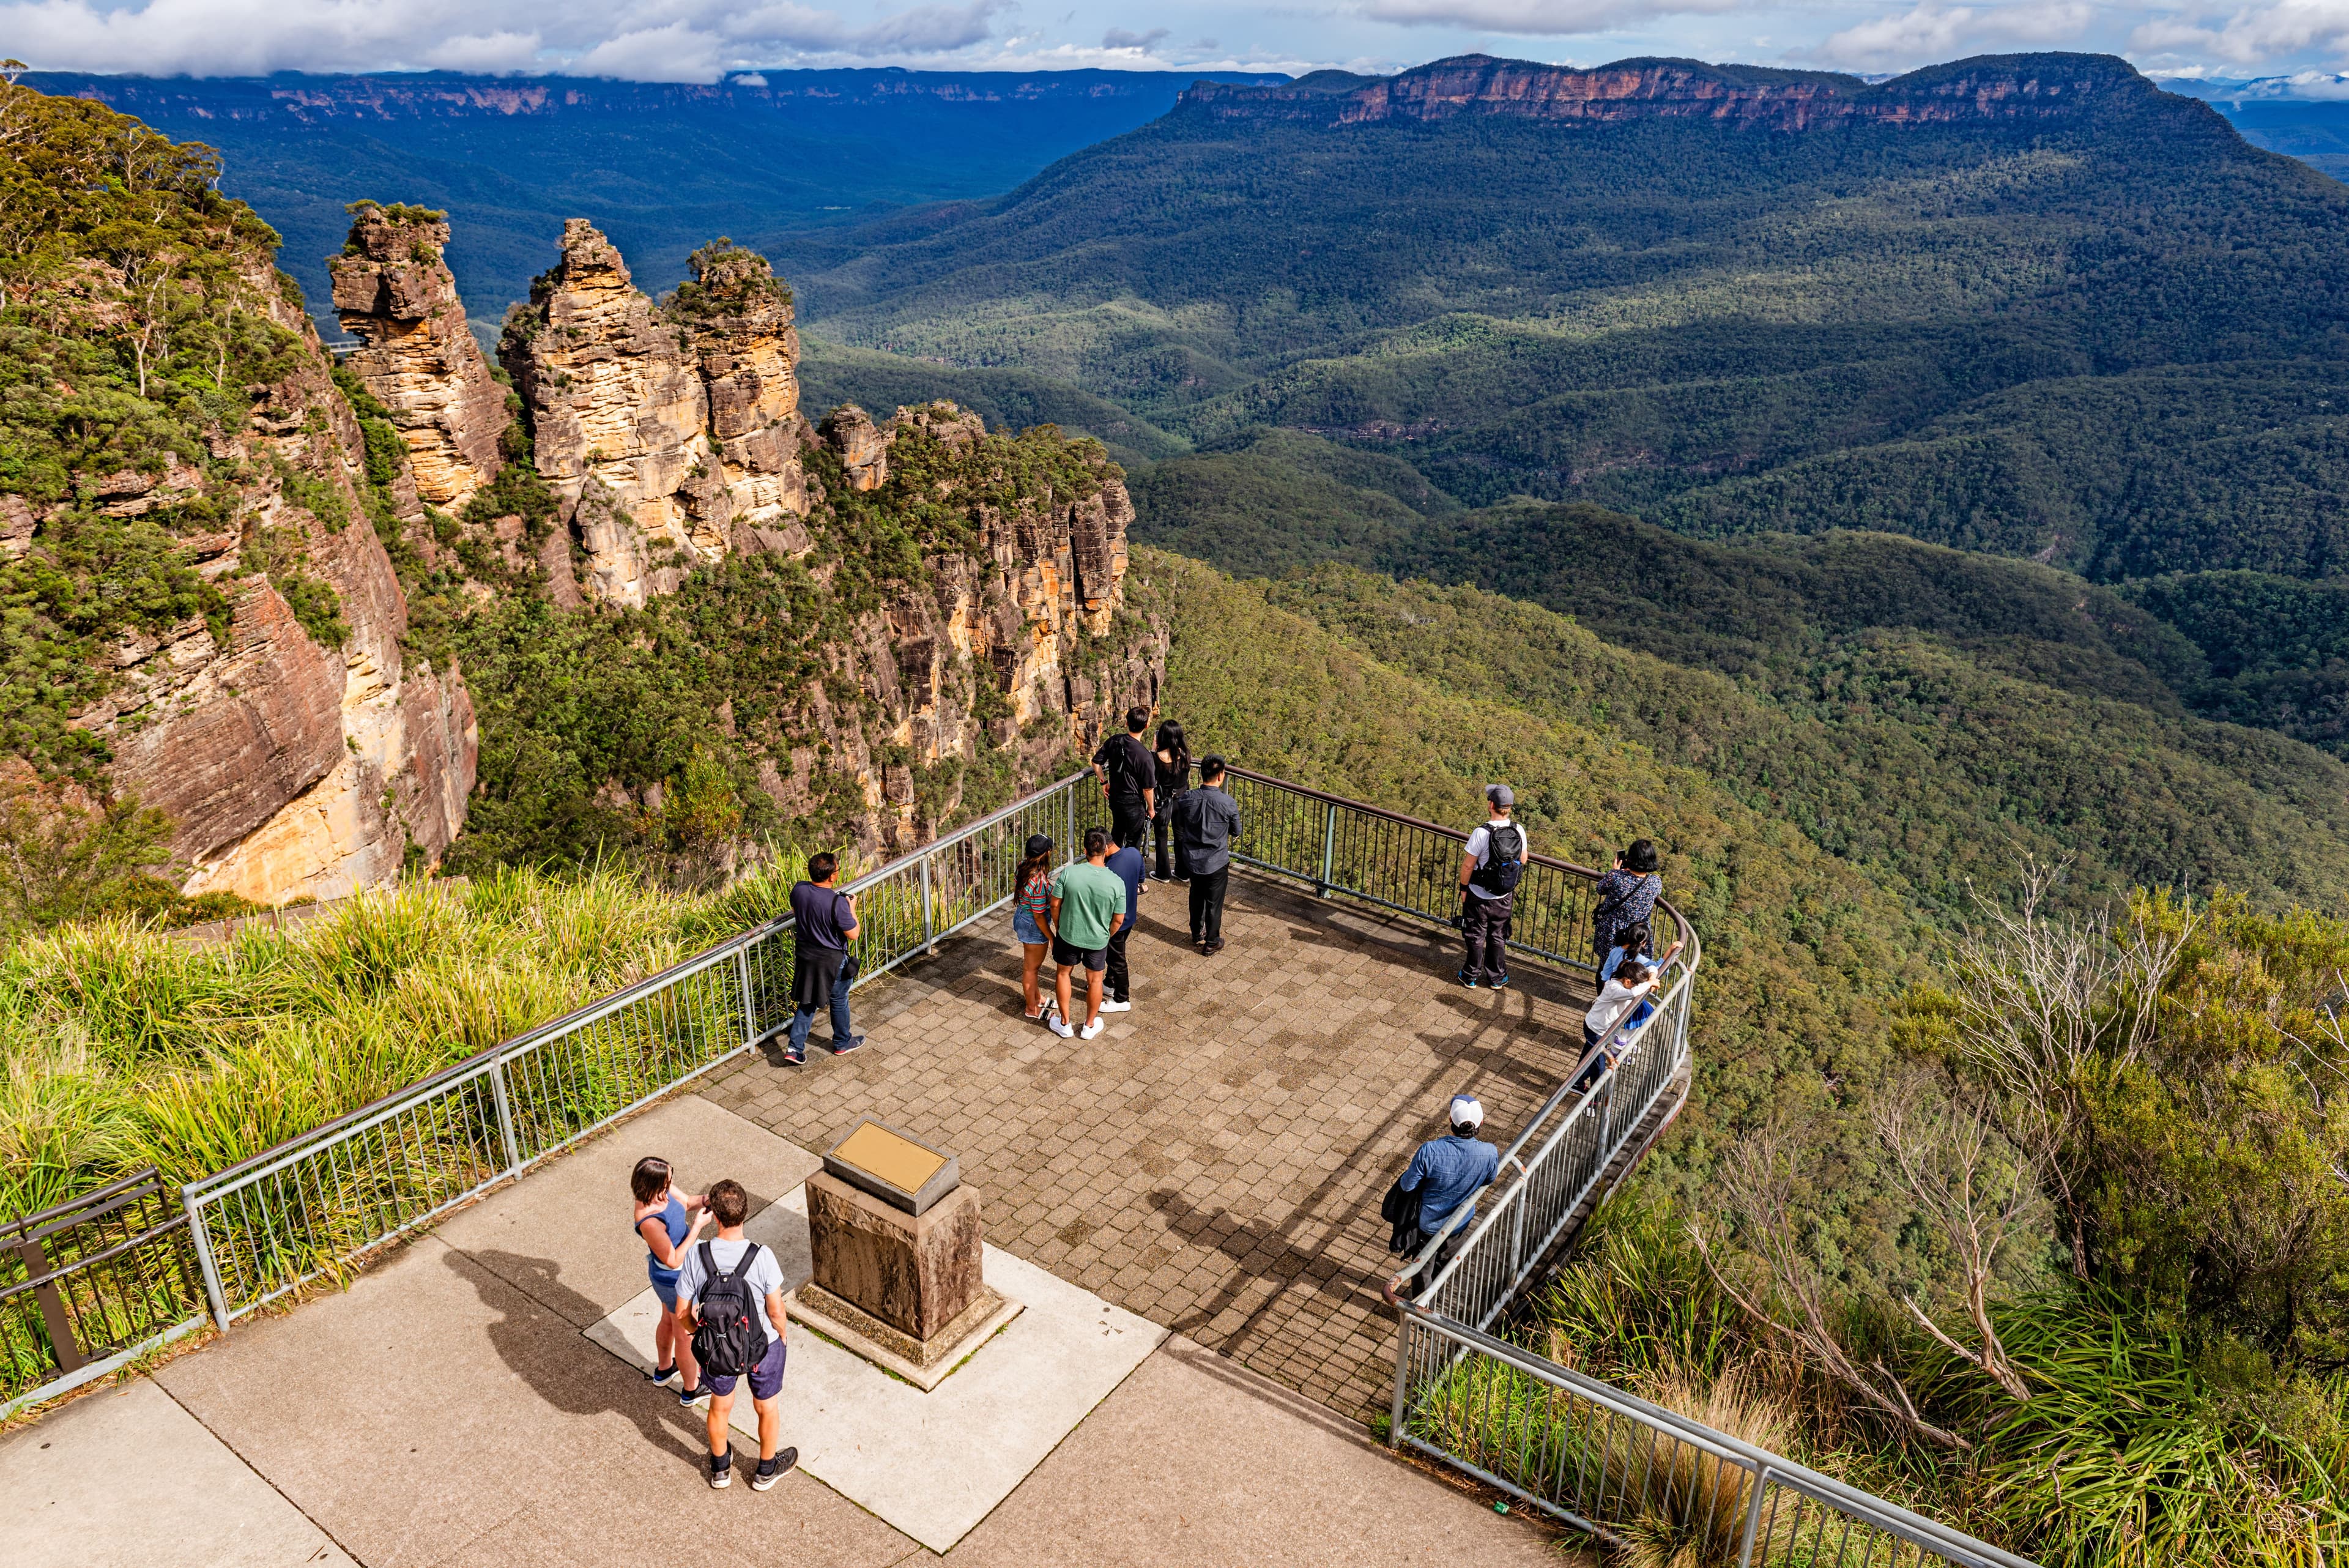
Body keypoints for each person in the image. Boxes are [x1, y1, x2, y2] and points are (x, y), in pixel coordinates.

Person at [673, 1179, 796, 1492]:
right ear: (745, 1213)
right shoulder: (762, 1256)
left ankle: (720, 1470)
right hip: (762, 1345)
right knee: (766, 1406)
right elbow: (776, 1311)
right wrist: (781, 1336)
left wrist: (696, 1332)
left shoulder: (697, 1256)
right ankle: (766, 1470)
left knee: (719, 1406)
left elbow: (682, 1312)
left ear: (714, 1216)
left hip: (715, 1348)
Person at [1380, 1095, 1501, 1305]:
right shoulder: (1490, 1153)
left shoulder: (1430, 1151)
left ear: (1450, 1121)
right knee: (1445, 1265)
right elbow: (1490, 1179)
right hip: (1460, 1223)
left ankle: (1421, 1306)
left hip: (1428, 1224)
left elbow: (1408, 1185)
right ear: (1481, 1123)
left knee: (1423, 1268)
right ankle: (1436, 1300)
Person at [630, 1156, 713, 1406]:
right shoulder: (649, 1220)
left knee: (668, 1319)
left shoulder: (662, 1191)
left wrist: (708, 1200)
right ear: (651, 1185)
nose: (670, 1185)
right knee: (686, 1333)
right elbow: (674, 1259)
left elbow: (687, 1201)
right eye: (666, 1183)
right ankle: (691, 1389)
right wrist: (698, 1227)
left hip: (675, 1276)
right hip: (673, 1278)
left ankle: (665, 1369)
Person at [1047, 827, 1126, 1039]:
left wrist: (1059, 927)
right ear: (1106, 851)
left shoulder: (1070, 873)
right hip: (1097, 938)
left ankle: (1064, 1023)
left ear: (1085, 850)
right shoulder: (1117, 883)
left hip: (1068, 933)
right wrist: (1107, 935)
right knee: (1095, 981)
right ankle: (1089, 1026)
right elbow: (1119, 918)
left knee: (1063, 974)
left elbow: (1055, 905)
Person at [1573, 940, 1682, 1093]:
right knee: (1599, 1066)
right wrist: (1650, 982)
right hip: (1596, 1030)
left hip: (1601, 1029)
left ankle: (1577, 1083)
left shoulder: (1625, 984)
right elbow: (1632, 993)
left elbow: (1652, 967)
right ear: (1628, 981)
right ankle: (1596, 1098)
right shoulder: (1614, 987)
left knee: (1589, 1059)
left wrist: (1669, 952)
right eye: (1636, 985)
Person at [785, 852, 862, 1065]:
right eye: (837, 870)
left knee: (807, 1000)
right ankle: (842, 1042)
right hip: (831, 960)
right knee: (838, 999)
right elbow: (854, 934)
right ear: (832, 877)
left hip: (806, 955)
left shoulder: (799, 890)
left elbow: (796, 910)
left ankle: (794, 1048)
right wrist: (851, 909)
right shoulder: (837, 903)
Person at [1456, 784, 1524, 989]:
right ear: (1509, 808)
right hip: (1504, 895)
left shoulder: (1481, 832)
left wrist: (1463, 889)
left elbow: (1468, 865)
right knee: (1498, 935)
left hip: (1479, 894)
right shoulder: (1518, 830)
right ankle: (1496, 978)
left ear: (1491, 805)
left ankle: (1470, 975)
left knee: (1475, 934)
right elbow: (1524, 859)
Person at [1172, 754, 1242, 953]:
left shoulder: (1187, 798)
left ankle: (1196, 932)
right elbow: (1236, 831)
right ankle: (1212, 942)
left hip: (1193, 859)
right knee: (1214, 902)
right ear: (1221, 776)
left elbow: (1179, 824)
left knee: (1196, 896)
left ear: (1202, 773)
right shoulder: (1228, 803)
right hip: (1217, 861)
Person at [1092, 705, 1157, 852]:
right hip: (1134, 803)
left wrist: (1104, 782)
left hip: (1115, 799)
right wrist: (1151, 809)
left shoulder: (1115, 740)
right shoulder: (1145, 756)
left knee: (1117, 835)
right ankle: (1130, 869)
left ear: (1127, 723)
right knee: (1134, 842)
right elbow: (1148, 789)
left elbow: (1096, 763)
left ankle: (1113, 867)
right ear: (1146, 726)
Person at [1591, 839, 1663, 966]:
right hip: (1638, 933)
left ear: (1630, 858)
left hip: (1612, 930)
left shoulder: (1616, 877)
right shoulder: (1655, 882)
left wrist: (1615, 871)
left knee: (1607, 965)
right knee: (1631, 968)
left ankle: (1605, 985)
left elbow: (1600, 889)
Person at [1011, 833, 1055, 1020]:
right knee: (1031, 968)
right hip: (1032, 923)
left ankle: (1037, 998)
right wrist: (1052, 937)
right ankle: (1031, 1008)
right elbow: (1038, 915)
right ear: (1045, 853)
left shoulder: (1024, 865)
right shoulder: (1036, 878)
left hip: (1023, 915)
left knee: (1032, 967)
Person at [1101, 828, 1146, 1014]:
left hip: (1115, 922)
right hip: (1130, 916)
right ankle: (1109, 983)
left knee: (1117, 959)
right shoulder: (1134, 854)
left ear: (1104, 848)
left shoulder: (1108, 871)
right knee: (1114, 955)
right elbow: (1140, 881)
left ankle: (1122, 998)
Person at [1151, 719, 1192, 882]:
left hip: (1163, 802)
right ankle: (1182, 872)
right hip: (1182, 800)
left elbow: (1151, 780)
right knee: (1180, 834)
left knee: (1161, 836)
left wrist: (1153, 751)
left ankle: (1163, 873)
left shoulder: (1157, 758)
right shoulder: (1185, 755)